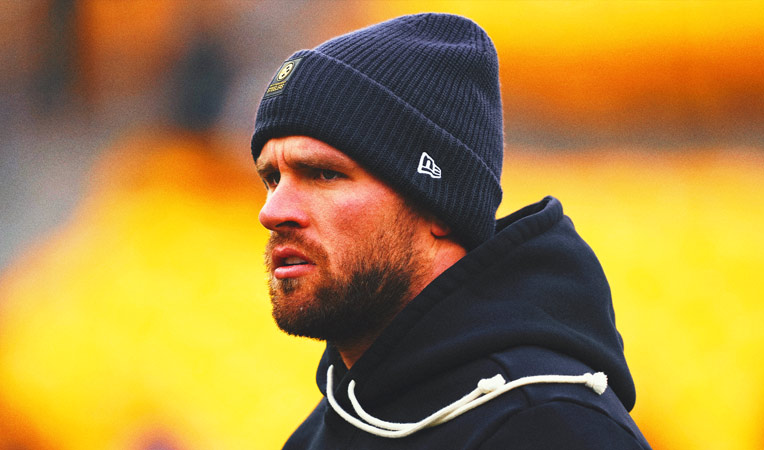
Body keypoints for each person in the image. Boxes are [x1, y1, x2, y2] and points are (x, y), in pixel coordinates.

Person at [251, 13, 652, 450]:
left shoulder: (550, 426)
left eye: (323, 174)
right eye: (271, 178)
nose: (272, 212)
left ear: (438, 204)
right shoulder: (323, 432)